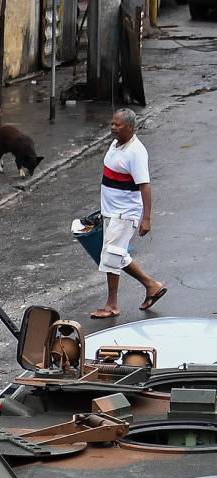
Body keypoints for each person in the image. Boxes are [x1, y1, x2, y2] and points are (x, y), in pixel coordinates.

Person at [90, 108, 166, 319]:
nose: (112, 128)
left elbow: (145, 186)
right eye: (112, 123)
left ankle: (112, 305)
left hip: (125, 214)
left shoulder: (136, 152)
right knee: (117, 254)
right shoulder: (116, 144)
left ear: (130, 127)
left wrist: (146, 219)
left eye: (117, 125)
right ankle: (152, 285)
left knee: (111, 256)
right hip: (111, 212)